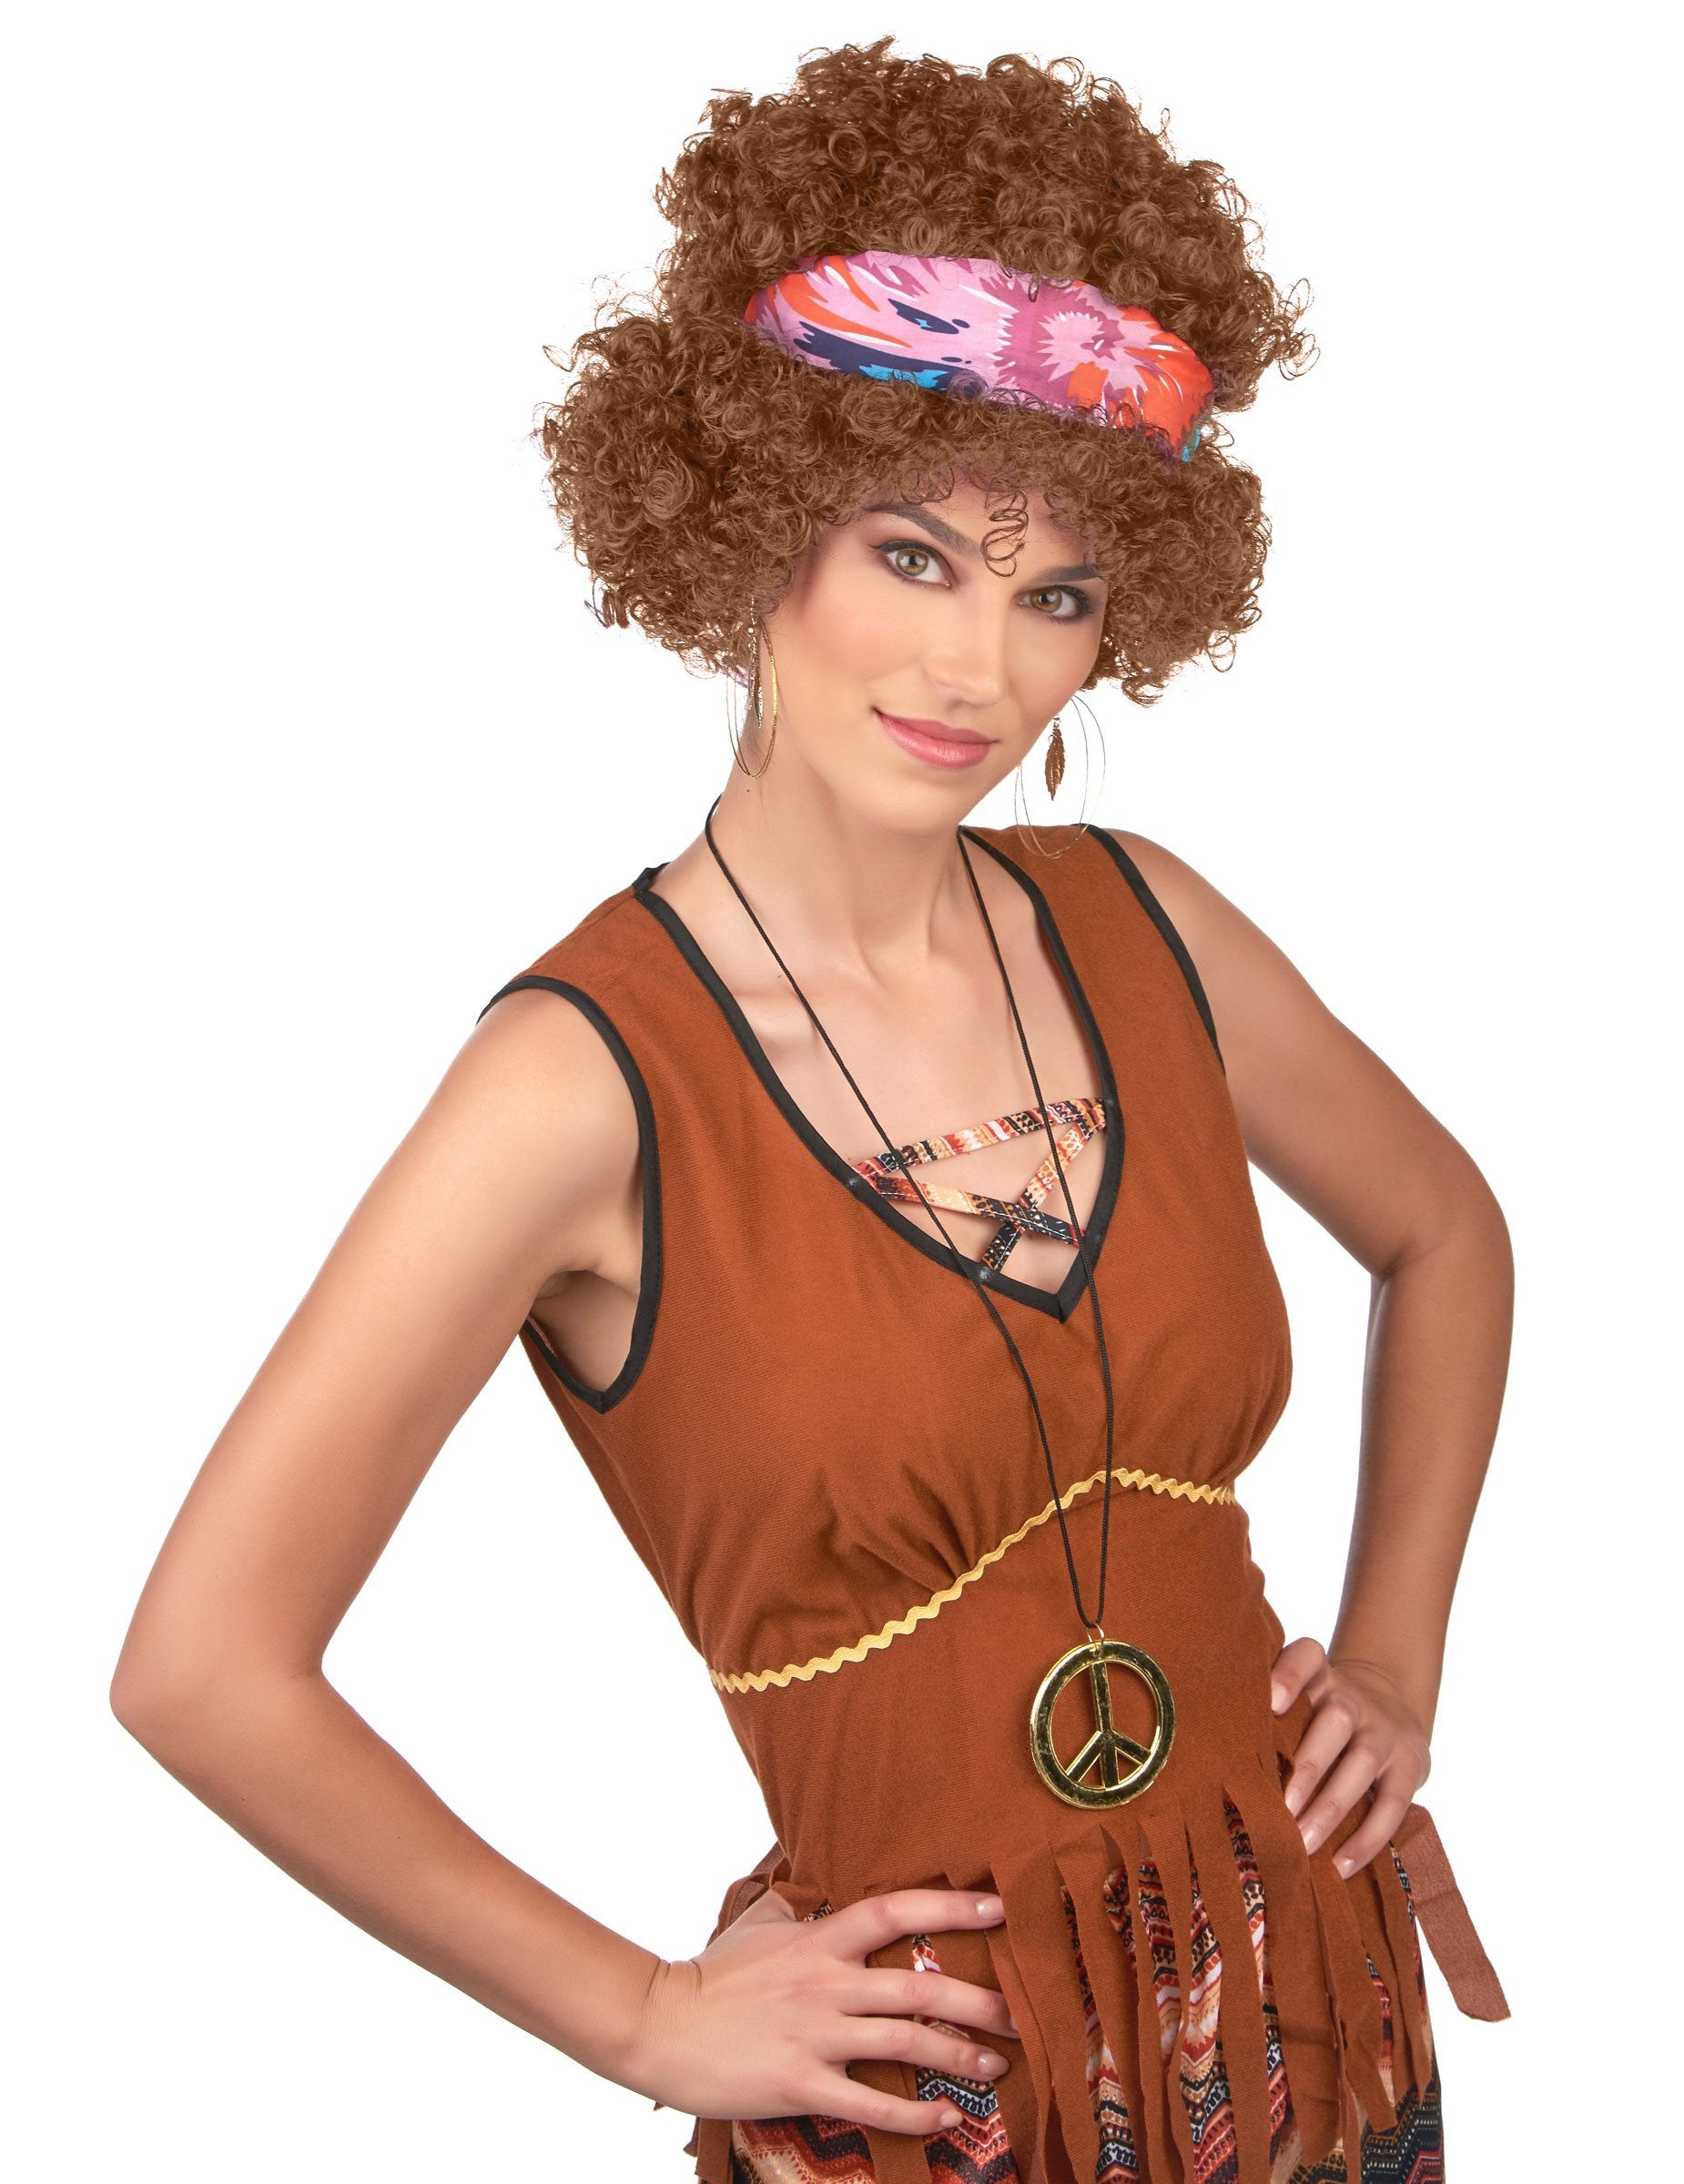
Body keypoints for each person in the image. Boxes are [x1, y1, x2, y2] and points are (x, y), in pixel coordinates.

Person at [110, 38, 1512, 2184]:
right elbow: (204, 1667)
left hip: (1311, 2015)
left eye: (1056, 594)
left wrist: (1393, 1661)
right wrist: (640, 2014)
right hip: (933, 2102)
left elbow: (1444, 1229)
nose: (980, 669)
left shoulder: (1152, 926)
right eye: (914, 555)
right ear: (753, 518)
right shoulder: (574, 1082)